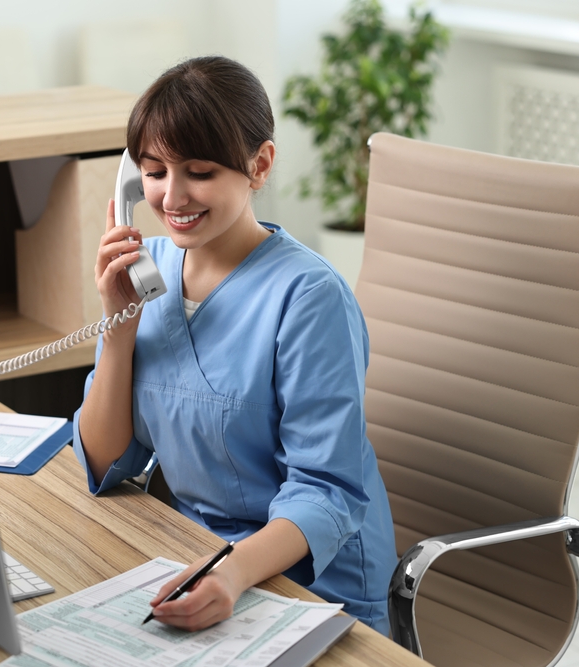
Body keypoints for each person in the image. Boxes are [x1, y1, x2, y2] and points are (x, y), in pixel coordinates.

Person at [72, 55, 397, 635]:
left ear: (259, 164)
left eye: (199, 172)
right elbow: (104, 462)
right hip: (194, 554)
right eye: (152, 171)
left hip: (309, 583)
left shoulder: (309, 297)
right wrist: (116, 331)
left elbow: (327, 493)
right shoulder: (147, 271)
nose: (171, 197)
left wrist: (231, 572)